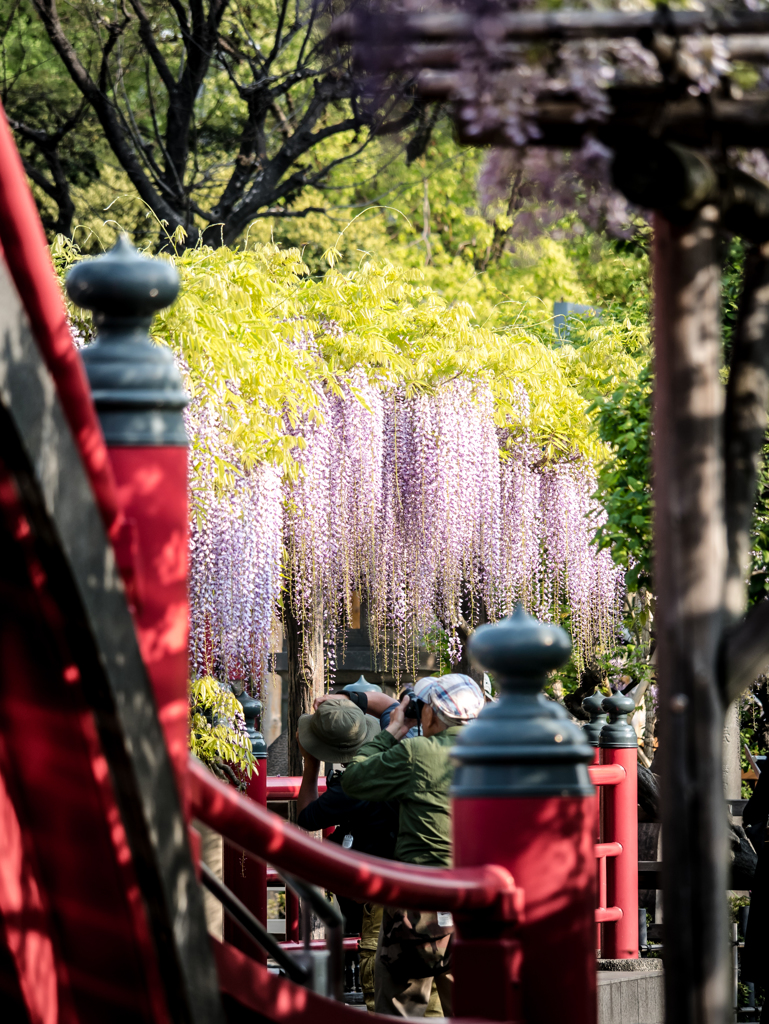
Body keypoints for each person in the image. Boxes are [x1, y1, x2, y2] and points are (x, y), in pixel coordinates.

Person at [340, 674, 485, 1018]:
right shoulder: (494, 754)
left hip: (418, 906)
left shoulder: (417, 752)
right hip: (476, 904)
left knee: (401, 1008)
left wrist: (393, 731)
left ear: (431, 713)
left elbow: (353, 780)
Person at [295, 696, 399, 1010]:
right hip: (414, 869)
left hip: (379, 885)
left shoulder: (351, 785)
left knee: (375, 966)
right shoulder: (395, 748)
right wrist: (354, 699)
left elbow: (307, 816)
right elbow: (394, 706)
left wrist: (311, 766)